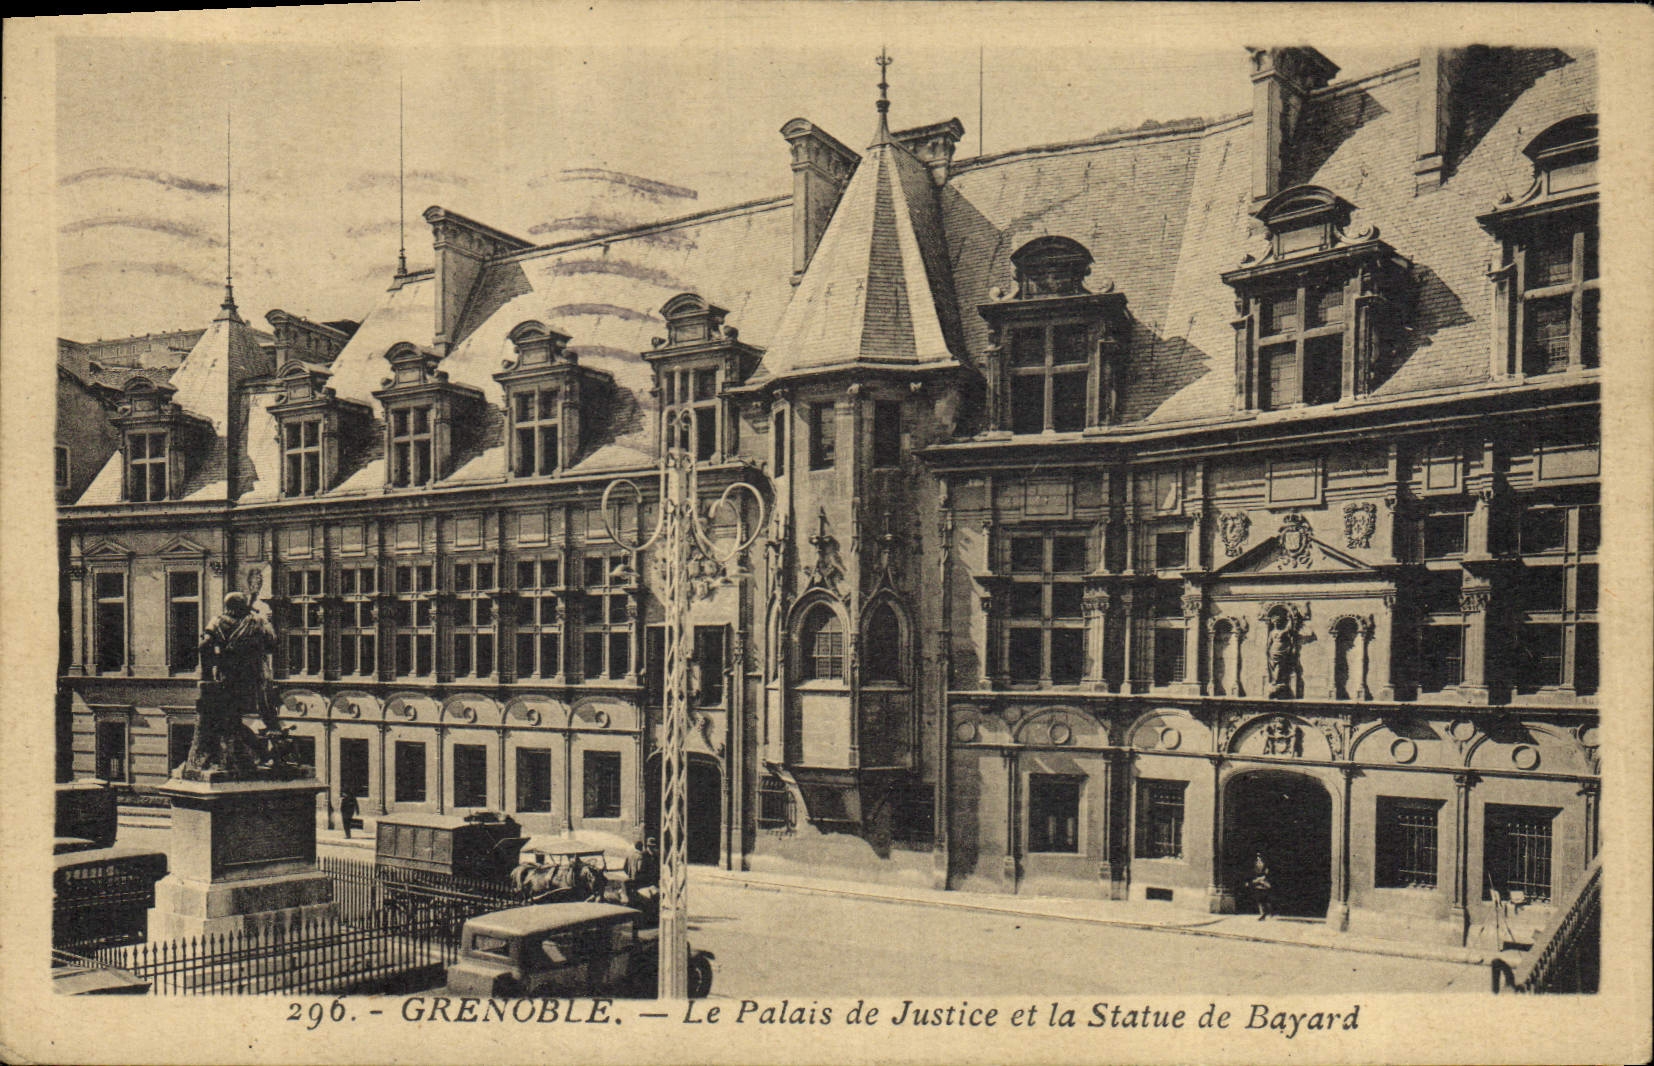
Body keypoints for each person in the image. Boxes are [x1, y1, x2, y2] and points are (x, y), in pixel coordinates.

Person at [1248, 853, 1276, 921]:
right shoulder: (1255, 865)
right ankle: (1263, 914)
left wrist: (1262, 879)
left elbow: (1267, 874)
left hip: (1265, 883)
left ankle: (1269, 911)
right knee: (1259, 900)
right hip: (1258, 884)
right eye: (1257, 858)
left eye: (1260, 857)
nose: (1258, 859)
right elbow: (1253, 873)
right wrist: (1255, 880)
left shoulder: (1266, 866)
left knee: (1266, 900)